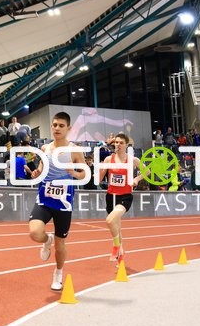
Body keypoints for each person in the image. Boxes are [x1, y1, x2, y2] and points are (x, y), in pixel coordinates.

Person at [28, 112, 87, 292]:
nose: (57, 128)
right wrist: (36, 173)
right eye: (54, 125)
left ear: (68, 128)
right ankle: (47, 240)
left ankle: (58, 273)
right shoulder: (45, 148)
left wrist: (74, 173)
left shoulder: (74, 150)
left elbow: (85, 173)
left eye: (61, 125)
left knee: (61, 244)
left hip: (63, 203)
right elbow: (41, 169)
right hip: (44, 198)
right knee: (34, 232)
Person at [99, 133, 141, 263]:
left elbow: (147, 172)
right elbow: (100, 179)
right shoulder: (108, 159)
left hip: (125, 196)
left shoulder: (133, 160)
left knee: (110, 220)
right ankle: (121, 255)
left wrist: (136, 179)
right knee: (116, 226)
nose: (118, 145)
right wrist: (101, 170)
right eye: (116, 142)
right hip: (111, 196)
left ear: (127, 145)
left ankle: (116, 245)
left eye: (121, 143)